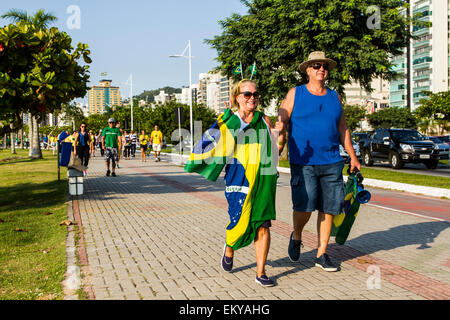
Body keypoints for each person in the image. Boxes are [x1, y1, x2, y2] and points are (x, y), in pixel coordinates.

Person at [185, 79, 278, 287]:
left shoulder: (264, 120)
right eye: (247, 94)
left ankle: (261, 272)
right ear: (237, 97)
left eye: (255, 94)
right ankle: (229, 245)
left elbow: (273, 148)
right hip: (239, 178)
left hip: (263, 179)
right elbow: (210, 144)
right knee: (239, 220)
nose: (252, 98)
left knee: (263, 224)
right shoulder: (230, 121)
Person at [276, 51, 361, 272]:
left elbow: (343, 128)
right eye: (316, 66)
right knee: (305, 205)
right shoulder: (296, 93)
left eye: (324, 66)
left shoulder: (334, 96)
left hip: (332, 160)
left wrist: (352, 155)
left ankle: (322, 253)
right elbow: (282, 118)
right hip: (303, 161)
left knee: (329, 208)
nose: (321, 69)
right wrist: (278, 135)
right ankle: (296, 235)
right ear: (307, 70)